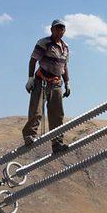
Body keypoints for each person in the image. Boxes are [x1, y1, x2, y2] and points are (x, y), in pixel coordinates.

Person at [22, 19, 71, 153]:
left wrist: (67, 83)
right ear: (51, 30)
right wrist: (30, 78)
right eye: (57, 28)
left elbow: (64, 66)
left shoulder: (65, 47)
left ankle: (57, 143)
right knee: (36, 111)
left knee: (57, 115)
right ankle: (29, 135)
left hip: (56, 83)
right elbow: (33, 60)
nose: (59, 31)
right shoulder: (44, 43)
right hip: (41, 81)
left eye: (62, 29)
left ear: (64, 31)